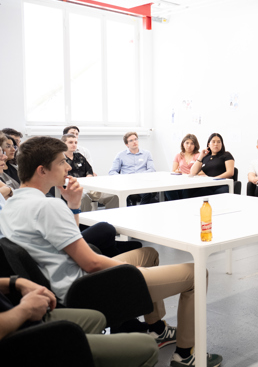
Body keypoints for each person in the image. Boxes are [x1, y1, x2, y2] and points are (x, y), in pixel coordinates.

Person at [0, 136, 223, 367]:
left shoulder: (11, 205)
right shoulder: (48, 206)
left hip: (64, 283)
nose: (68, 167)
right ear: (42, 170)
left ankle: (156, 329)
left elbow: (71, 243)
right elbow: (92, 263)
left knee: (149, 254)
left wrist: (73, 205)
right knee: (196, 274)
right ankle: (185, 355)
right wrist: (130, 269)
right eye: (61, 162)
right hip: (85, 287)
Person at [0, 276, 158, 367]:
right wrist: (26, 309)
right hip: (20, 343)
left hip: (19, 318)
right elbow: (92, 262)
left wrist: (15, 282)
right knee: (148, 346)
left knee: (96, 318)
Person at [61, 134, 119, 212]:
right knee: (84, 197)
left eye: (75, 142)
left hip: (87, 186)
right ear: (63, 144)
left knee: (114, 196)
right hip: (72, 188)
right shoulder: (60, 159)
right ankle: (83, 219)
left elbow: (89, 170)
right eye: (70, 142)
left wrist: (88, 178)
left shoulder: (79, 156)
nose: (74, 145)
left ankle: (110, 217)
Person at [109, 132, 158, 205]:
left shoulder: (147, 154)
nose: (134, 142)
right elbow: (112, 172)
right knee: (122, 196)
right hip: (127, 183)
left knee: (147, 194)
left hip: (143, 182)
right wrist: (124, 177)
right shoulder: (121, 155)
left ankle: (141, 210)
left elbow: (152, 170)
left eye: (136, 139)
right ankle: (129, 210)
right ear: (127, 144)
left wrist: (138, 176)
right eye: (131, 140)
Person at [166, 134, 202, 201]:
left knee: (185, 190)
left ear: (195, 145)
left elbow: (201, 171)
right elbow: (173, 170)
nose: (189, 145)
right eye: (187, 143)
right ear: (183, 144)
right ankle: (176, 204)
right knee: (168, 189)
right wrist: (177, 171)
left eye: (192, 143)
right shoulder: (178, 156)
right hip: (181, 181)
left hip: (193, 181)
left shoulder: (198, 155)